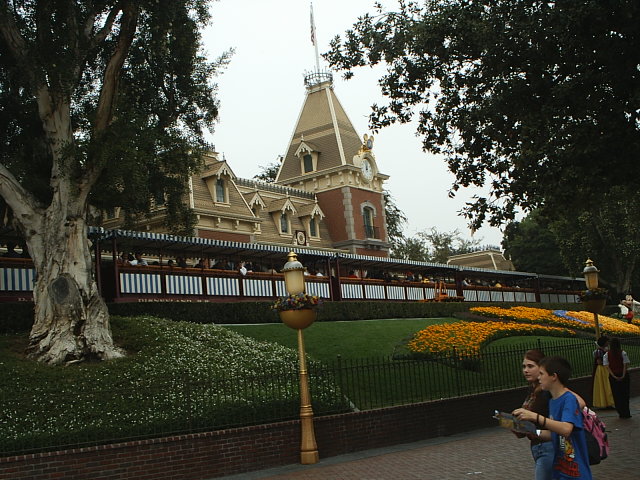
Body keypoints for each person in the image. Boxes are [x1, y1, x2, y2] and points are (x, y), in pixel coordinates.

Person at [514, 356, 592, 480]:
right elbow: (555, 434)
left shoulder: (569, 399)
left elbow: (566, 429)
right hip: (561, 468)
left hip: (576, 471)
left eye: (541, 373)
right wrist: (531, 431)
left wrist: (535, 417)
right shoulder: (552, 402)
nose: (538, 377)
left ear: (553, 376)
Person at [515, 349, 554, 480]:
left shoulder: (547, 392)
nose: (526, 370)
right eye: (524, 366)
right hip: (537, 446)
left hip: (548, 446)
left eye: (530, 366)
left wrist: (532, 418)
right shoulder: (533, 391)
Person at [603, 337, 632, 419]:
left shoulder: (606, 355)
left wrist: (614, 376)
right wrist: (623, 375)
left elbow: (607, 366)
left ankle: (620, 412)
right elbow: (625, 364)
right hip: (623, 375)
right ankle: (626, 412)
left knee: (616, 395)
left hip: (613, 377)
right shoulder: (623, 353)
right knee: (625, 394)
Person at [592, 336, 614, 409]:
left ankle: (609, 402)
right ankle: (605, 402)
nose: (608, 343)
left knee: (607, 385)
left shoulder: (605, 350)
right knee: (604, 384)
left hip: (605, 368)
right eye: (607, 341)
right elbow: (599, 362)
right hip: (602, 369)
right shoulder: (599, 351)